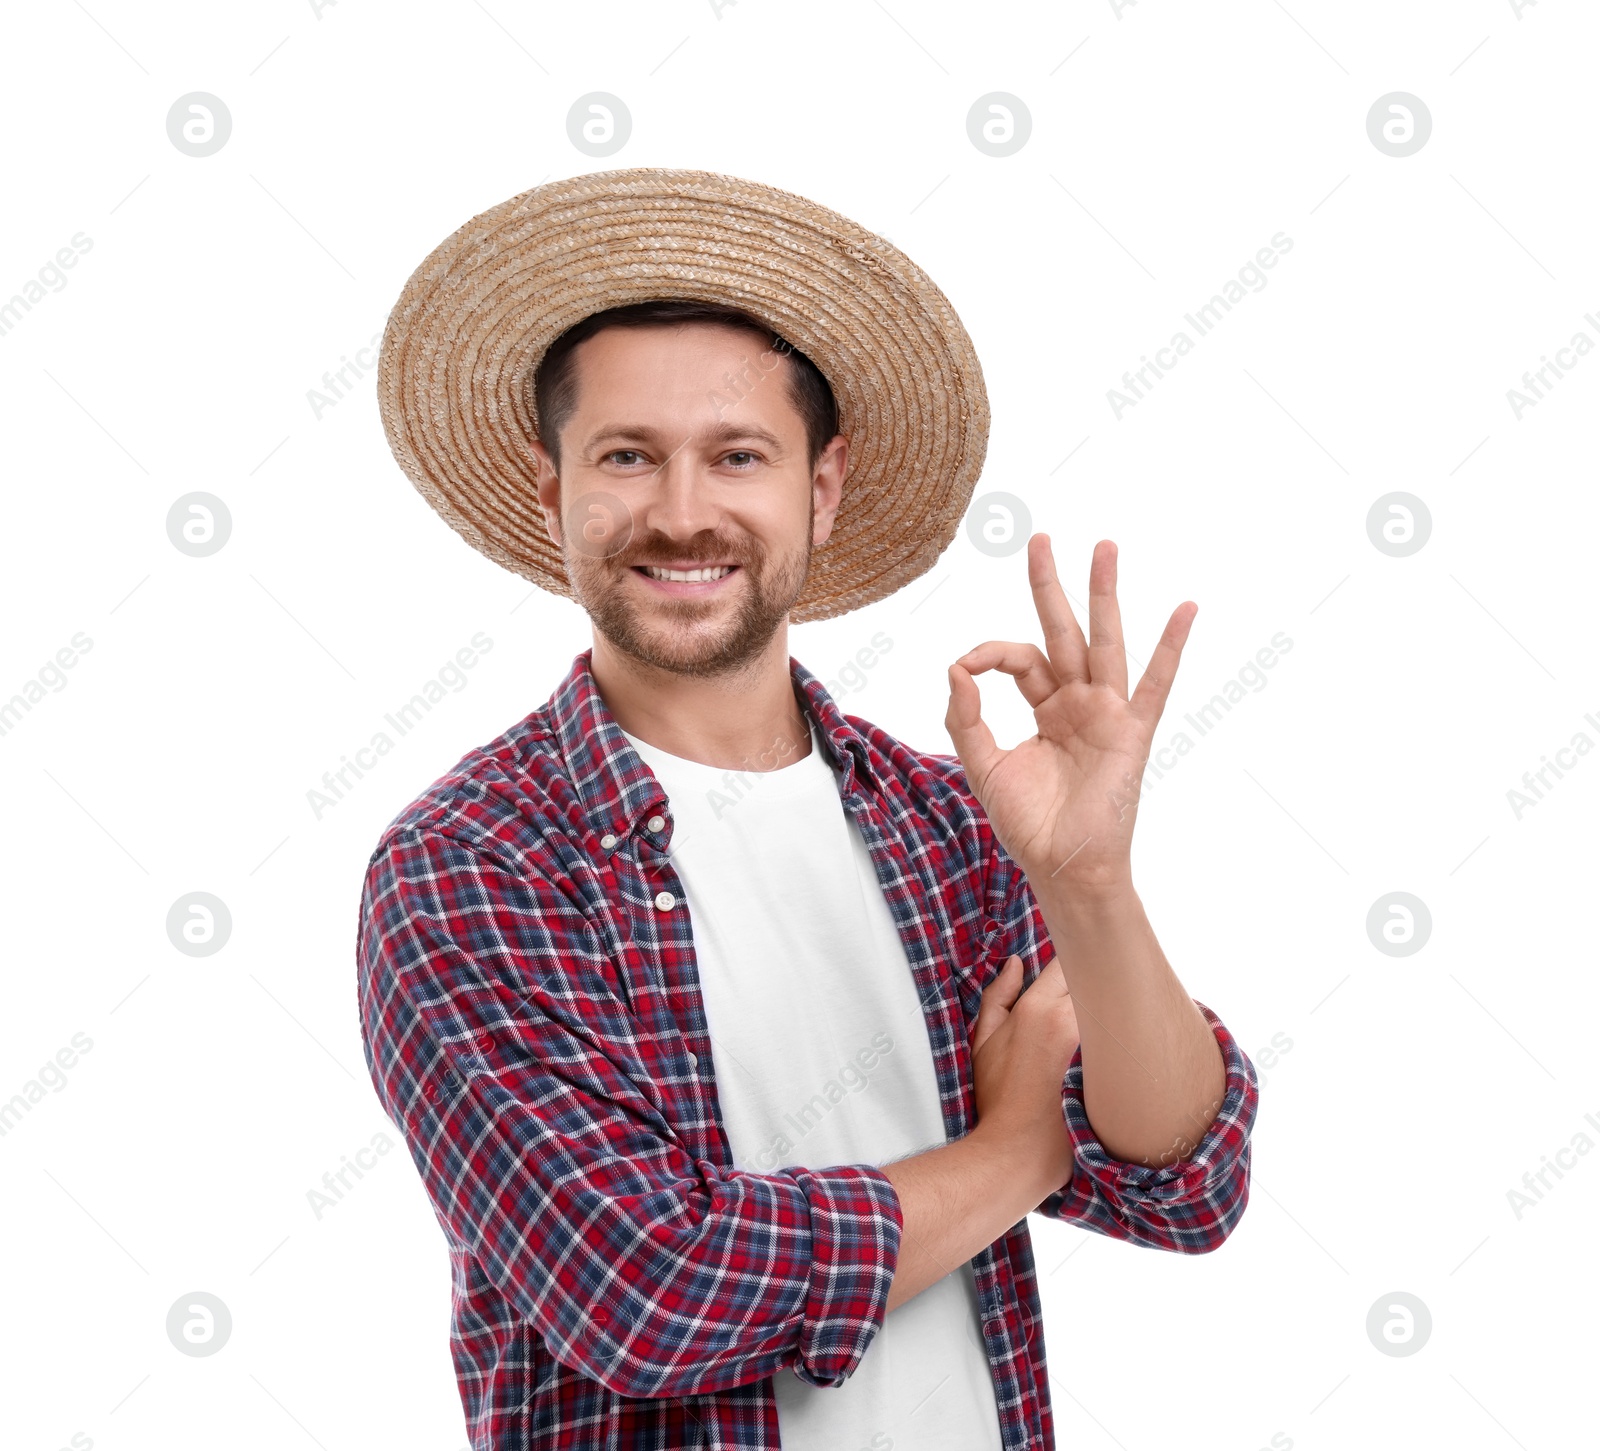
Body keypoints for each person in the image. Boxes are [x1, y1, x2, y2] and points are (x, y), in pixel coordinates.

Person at [359, 168, 1259, 1451]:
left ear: (820, 490)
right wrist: (1014, 1150)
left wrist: (1090, 884)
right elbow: (644, 1291)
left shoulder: (947, 824)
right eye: (626, 456)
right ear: (553, 491)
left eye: (738, 455)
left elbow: (1186, 1182)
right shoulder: (469, 866)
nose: (681, 513)